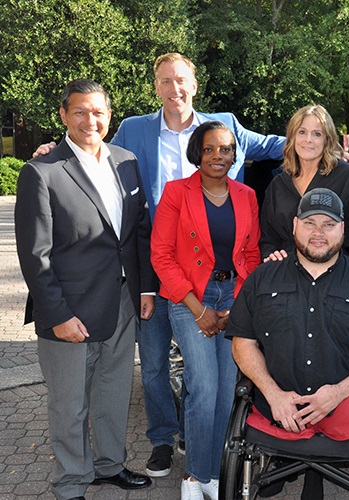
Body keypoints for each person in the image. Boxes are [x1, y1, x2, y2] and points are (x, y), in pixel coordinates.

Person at [33, 55, 349, 478]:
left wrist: (330, 148)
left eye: (182, 81)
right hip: (153, 259)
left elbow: (269, 143)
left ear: (195, 84)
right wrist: (53, 149)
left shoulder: (223, 126)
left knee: (209, 383)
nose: (175, 89)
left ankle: (200, 442)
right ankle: (161, 440)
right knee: (152, 363)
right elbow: (92, 145)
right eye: (166, 81)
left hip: (218, 270)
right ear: (156, 86)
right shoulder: (134, 128)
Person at [15, 79, 157, 500]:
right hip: (69, 311)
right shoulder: (41, 172)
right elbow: (34, 256)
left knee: (112, 394)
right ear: (63, 116)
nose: (89, 120)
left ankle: (109, 467)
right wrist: (56, 315)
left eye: (98, 112)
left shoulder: (126, 160)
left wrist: (146, 289)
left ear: (109, 116)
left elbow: (138, 234)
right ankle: (71, 482)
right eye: (79, 111)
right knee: (69, 405)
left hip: (122, 304)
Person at [227, 187, 349, 498]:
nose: (319, 233)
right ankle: (301, 467)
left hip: (346, 401)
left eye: (329, 224)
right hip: (277, 404)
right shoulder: (263, 279)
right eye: (310, 223)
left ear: (343, 229)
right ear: (295, 225)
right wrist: (273, 394)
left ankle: (309, 471)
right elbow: (243, 342)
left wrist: (337, 393)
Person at [151, 120, 261, 500]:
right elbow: (161, 256)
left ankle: (211, 474)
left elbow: (251, 254)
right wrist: (199, 310)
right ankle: (195, 477)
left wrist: (239, 302)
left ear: (234, 154)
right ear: (197, 152)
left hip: (233, 296)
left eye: (226, 149)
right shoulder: (175, 193)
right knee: (204, 385)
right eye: (211, 148)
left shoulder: (246, 195)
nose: (218, 156)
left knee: (227, 391)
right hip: (188, 298)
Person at [259, 104, 349, 275]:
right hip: (286, 277)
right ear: (292, 137)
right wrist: (270, 254)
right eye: (302, 132)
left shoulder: (348, 177)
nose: (308, 139)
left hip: (334, 277)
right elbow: (268, 237)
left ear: (327, 139)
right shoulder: (279, 183)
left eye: (317, 134)